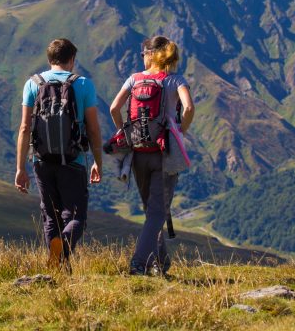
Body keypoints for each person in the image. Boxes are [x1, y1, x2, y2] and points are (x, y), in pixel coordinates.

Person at [109, 35, 194, 276]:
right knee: (157, 212)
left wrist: (123, 131)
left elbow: (114, 107)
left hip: (138, 153)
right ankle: (138, 263)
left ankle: (159, 263)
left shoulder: (133, 79)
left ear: (150, 54)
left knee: (152, 211)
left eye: (144, 54)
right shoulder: (175, 79)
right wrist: (180, 130)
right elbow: (188, 107)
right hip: (164, 154)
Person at [14, 38, 103, 270]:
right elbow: (93, 129)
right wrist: (97, 162)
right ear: (72, 59)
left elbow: (24, 128)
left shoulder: (33, 84)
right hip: (74, 160)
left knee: (50, 215)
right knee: (76, 217)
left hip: (42, 161)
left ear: (49, 59)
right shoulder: (83, 84)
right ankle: (62, 252)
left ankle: (58, 265)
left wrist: (20, 168)